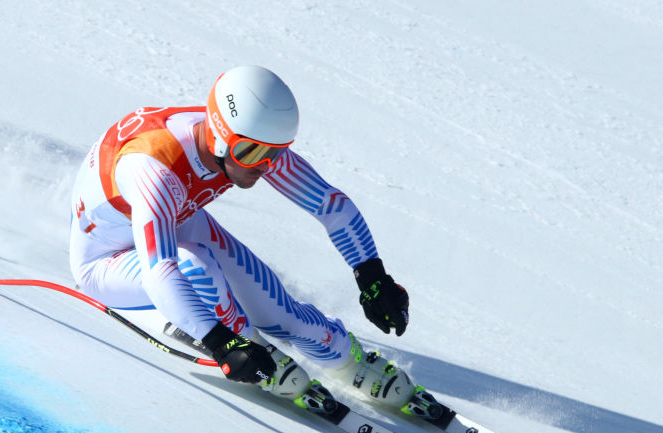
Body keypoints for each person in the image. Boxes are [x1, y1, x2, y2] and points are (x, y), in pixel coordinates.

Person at [68, 65, 415, 409]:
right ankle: (251, 347)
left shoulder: (246, 138)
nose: (263, 166)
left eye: (275, 153)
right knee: (194, 266)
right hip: (105, 261)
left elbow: (329, 204)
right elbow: (161, 270)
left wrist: (373, 278)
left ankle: (347, 359)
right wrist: (222, 343)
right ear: (220, 138)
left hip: (176, 219)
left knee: (281, 314)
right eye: (252, 155)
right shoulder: (154, 169)